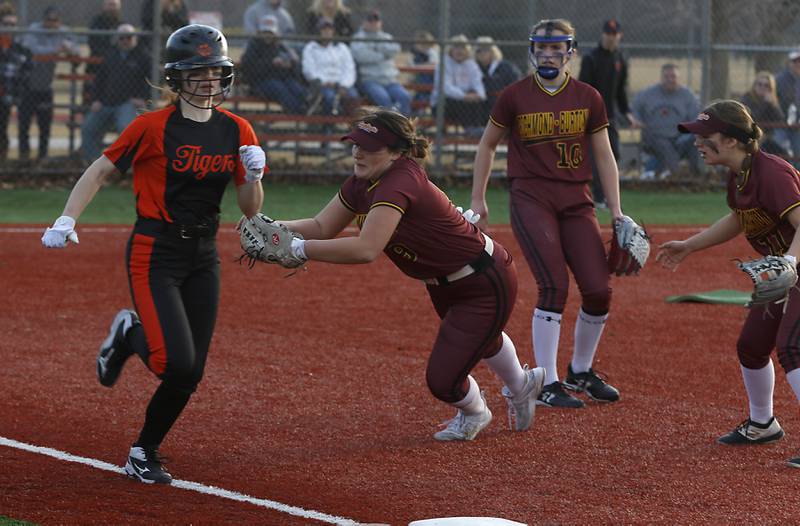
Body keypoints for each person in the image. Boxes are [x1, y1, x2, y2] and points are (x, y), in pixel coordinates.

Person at [41, 24, 265, 484]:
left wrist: (255, 175)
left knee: (190, 372)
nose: (208, 80)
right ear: (176, 77)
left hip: (204, 253)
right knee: (173, 362)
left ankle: (143, 451)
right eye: (197, 71)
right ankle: (127, 332)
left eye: (216, 71)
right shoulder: (151, 125)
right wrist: (67, 218)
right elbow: (101, 170)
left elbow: (249, 209)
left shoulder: (238, 129)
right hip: (155, 249)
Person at [274, 107, 545, 441]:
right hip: (447, 281)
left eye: (369, 147)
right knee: (483, 339)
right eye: (355, 144)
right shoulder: (366, 179)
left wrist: (300, 249)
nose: (358, 152)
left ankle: (475, 412)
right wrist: (274, 228)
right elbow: (321, 225)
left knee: (443, 381)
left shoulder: (400, 179)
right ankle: (522, 385)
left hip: (482, 280)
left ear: (397, 152)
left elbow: (366, 249)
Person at [471, 19, 624, 409]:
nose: (549, 55)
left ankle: (581, 372)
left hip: (577, 199)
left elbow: (604, 154)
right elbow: (487, 145)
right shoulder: (514, 96)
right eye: (541, 47)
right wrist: (479, 200)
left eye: (557, 48)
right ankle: (548, 381)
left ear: (571, 51)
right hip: (531, 196)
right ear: (532, 50)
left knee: (598, 289)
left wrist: (618, 212)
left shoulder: (589, 96)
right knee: (554, 285)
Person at [656, 99, 800, 468]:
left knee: (793, 348)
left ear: (732, 140)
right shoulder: (741, 174)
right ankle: (763, 423)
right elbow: (739, 219)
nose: (698, 142)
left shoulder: (771, 172)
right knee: (752, 346)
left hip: (794, 267)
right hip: (782, 270)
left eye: (706, 136)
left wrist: (789, 262)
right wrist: (689, 246)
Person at [578, 19, 639, 207]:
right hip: (591, 117)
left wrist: (627, 112)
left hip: (610, 116)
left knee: (615, 154)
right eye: (608, 34)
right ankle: (599, 197)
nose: (611, 38)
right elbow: (583, 89)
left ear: (619, 36)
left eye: (614, 34)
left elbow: (620, 91)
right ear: (602, 34)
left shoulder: (620, 59)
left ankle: (606, 195)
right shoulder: (591, 58)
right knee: (597, 157)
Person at [81, 24, 150, 162]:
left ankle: (124, 165)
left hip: (128, 103)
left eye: (129, 37)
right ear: (117, 39)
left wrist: (143, 98)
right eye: (122, 38)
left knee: (125, 129)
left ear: (135, 38)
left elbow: (152, 80)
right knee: (88, 128)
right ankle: (93, 162)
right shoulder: (110, 55)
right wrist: (96, 100)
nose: (125, 41)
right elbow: (99, 80)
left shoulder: (143, 56)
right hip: (105, 103)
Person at [20, 6, 77, 161]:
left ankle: (42, 157)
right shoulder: (35, 29)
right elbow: (34, 49)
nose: (52, 23)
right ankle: (23, 157)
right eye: (49, 20)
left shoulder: (62, 31)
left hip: (46, 86)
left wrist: (69, 48)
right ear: (43, 20)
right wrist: (57, 49)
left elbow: (75, 49)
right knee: (24, 124)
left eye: (55, 20)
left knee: (45, 125)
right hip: (28, 84)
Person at [631, 63, 702, 179]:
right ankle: (676, 175)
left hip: (680, 137)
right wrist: (637, 121)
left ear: (678, 78)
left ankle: (698, 178)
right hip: (654, 136)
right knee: (663, 144)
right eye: (666, 77)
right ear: (661, 78)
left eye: (673, 76)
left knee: (696, 141)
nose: (670, 80)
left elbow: (695, 118)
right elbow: (634, 110)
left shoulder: (688, 95)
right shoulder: (647, 94)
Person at [240, 15, 307, 114]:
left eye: (270, 32)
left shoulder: (279, 45)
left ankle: (309, 107)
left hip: (281, 78)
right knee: (280, 89)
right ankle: (300, 113)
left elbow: (290, 68)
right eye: (265, 32)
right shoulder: (254, 45)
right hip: (260, 82)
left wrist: (291, 63)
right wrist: (271, 62)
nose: (268, 35)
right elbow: (249, 68)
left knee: (296, 88)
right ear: (260, 32)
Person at [350, 10, 410, 116]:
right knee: (383, 98)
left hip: (389, 80)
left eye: (376, 21)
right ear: (364, 22)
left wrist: (374, 48)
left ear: (380, 23)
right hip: (370, 80)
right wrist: (383, 55)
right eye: (370, 21)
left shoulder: (386, 37)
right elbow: (361, 56)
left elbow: (395, 49)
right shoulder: (358, 37)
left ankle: (401, 128)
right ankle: (390, 128)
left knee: (404, 96)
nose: (373, 23)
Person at [301, 18, 358, 116]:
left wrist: (344, 85)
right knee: (329, 97)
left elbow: (349, 69)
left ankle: (351, 127)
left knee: (353, 97)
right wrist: (323, 82)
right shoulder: (311, 48)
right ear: (318, 31)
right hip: (322, 85)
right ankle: (328, 126)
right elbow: (308, 70)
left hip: (341, 84)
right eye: (324, 29)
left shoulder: (342, 47)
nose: (327, 32)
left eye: (329, 29)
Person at [431, 34, 486, 135]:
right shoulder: (444, 63)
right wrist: (464, 96)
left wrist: (479, 95)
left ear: (467, 50)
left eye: (463, 48)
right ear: (451, 50)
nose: (459, 51)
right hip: (443, 104)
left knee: (478, 101)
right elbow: (446, 88)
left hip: (465, 102)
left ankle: (476, 129)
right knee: (458, 101)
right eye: (456, 47)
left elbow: (478, 83)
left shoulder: (471, 64)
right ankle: (471, 129)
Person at [0, 2, 31, 162]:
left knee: (14, 128)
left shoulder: (20, 48)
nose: (10, 28)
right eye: (6, 24)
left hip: (12, 94)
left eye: (13, 24)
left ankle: (15, 162)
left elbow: (26, 71)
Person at [741, 72, 791, 157]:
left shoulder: (770, 100)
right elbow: (754, 118)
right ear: (754, 86)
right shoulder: (747, 98)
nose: (762, 87)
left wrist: (773, 105)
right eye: (760, 84)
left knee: (784, 153)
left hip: (767, 136)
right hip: (750, 136)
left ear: (771, 88)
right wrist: (765, 103)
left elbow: (781, 120)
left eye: (766, 85)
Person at [473, 36, 521, 120]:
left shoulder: (505, 67)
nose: (482, 53)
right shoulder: (473, 67)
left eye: (486, 50)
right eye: (479, 50)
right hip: (480, 102)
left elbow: (516, 84)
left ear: (493, 52)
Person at [85, 0, 123, 104]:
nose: (111, 8)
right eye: (109, 5)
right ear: (104, 6)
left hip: (114, 65)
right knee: (90, 91)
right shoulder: (96, 22)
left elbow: (121, 47)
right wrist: (107, 54)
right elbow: (92, 43)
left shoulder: (121, 24)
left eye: (114, 5)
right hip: (96, 63)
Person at [775, 48, 800, 164]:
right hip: (781, 122)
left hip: (798, 125)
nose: (798, 64)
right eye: (795, 61)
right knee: (781, 150)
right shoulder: (780, 79)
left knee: (797, 152)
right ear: (790, 62)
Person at [409, 29, 438, 113]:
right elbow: (411, 65)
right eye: (419, 43)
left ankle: (421, 114)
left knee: (423, 100)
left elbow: (434, 64)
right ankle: (416, 116)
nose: (421, 46)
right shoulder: (416, 54)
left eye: (424, 43)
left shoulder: (431, 52)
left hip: (430, 85)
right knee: (414, 101)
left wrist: (418, 66)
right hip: (419, 85)